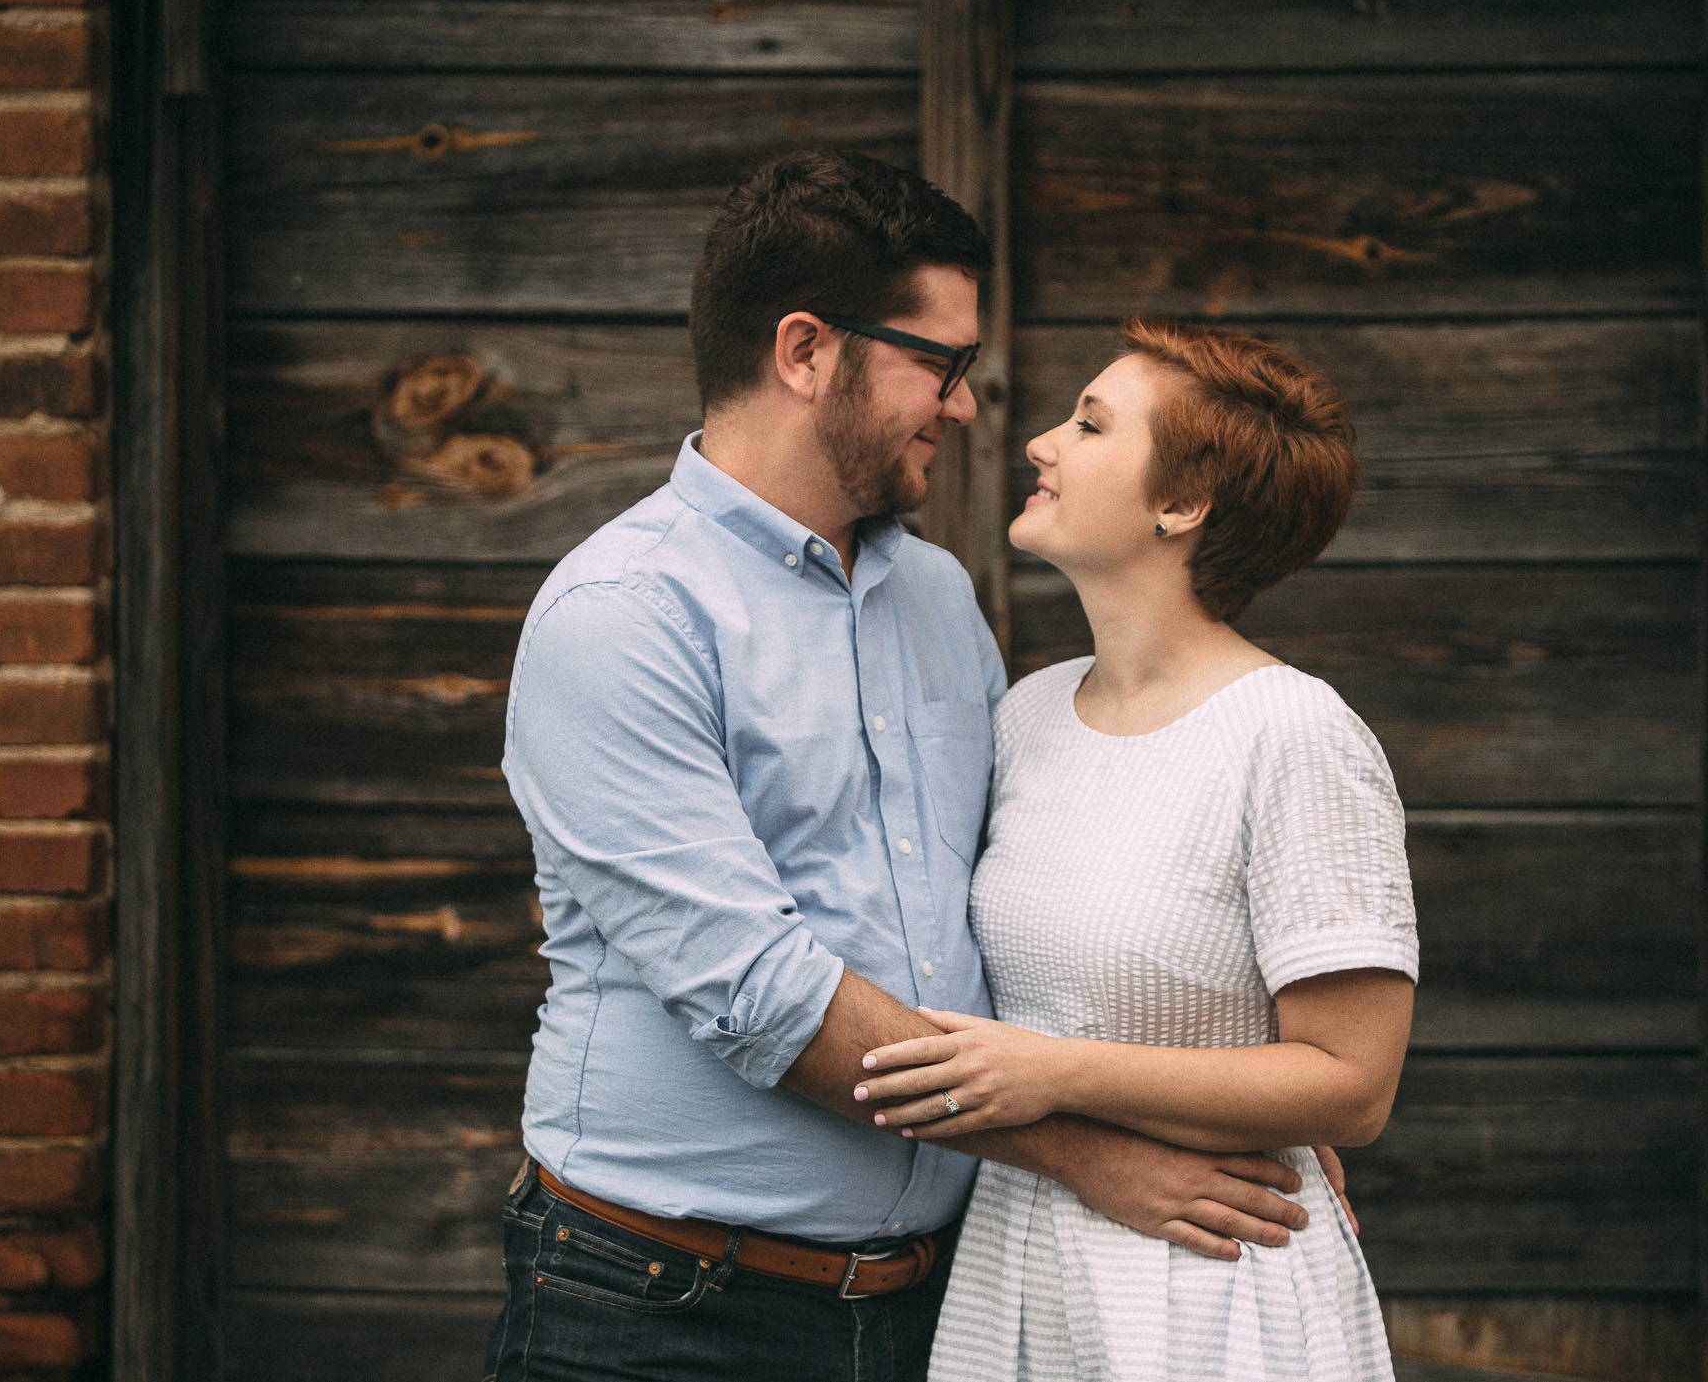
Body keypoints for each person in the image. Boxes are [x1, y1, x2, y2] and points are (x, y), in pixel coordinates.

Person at [485, 152, 1333, 1382]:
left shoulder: (936, 597)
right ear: (805, 351)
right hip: (660, 1307)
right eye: (940, 364)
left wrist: (1240, 1110)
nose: (968, 404)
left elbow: (1023, 910)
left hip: (934, 1308)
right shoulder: (620, 615)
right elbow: (761, 994)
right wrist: (1091, 1150)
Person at [854, 318, 1419, 1381]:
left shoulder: (1291, 733)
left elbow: (1352, 1083)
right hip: (1017, 1272)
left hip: (1204, 1288)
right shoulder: (1027, 716)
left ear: (1181, 503)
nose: (1040, 442)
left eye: (1089, 422)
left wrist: (1048, 1071)